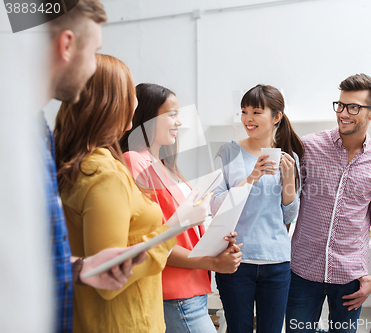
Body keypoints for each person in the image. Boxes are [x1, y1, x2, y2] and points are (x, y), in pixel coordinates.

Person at [54, 54, 210, 333]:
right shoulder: (104, 174)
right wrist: (179, 224)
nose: (135, 102)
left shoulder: (88, 165)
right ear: (111, 103)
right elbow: (109, 277)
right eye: (129, 93)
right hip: (125, 321)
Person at [41, 2, 149, 332]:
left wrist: (79, 267)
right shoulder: (103, 173)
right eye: (95, 51)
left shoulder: (42, 138)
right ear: (67, 45)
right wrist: (165, 239)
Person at [120, 83, 243, 333]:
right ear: (148, 117)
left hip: (192, 291)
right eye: (171, 115)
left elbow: (182, 231)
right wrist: (213, 262)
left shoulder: (164, 165)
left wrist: (217, 239)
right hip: (175, 293)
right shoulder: (134, 161)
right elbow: (154, 241)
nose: (178, 122)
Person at [286, 73, 371, 333]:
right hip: (302, 271)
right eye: (341, 105)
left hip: (351, 277)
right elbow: (285, 202)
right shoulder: (308, 147)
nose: (344, 113)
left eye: (354, 107)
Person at [211, 84, 304, 333]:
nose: (248, 119)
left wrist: (288, 179)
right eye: (244, 111)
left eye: (256, 112)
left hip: (277, 261)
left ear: (277, 117)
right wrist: (252, 177)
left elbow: (290, 215)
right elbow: (216, 204)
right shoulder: (228, 151)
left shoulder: (288, 158)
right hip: (236, 260)